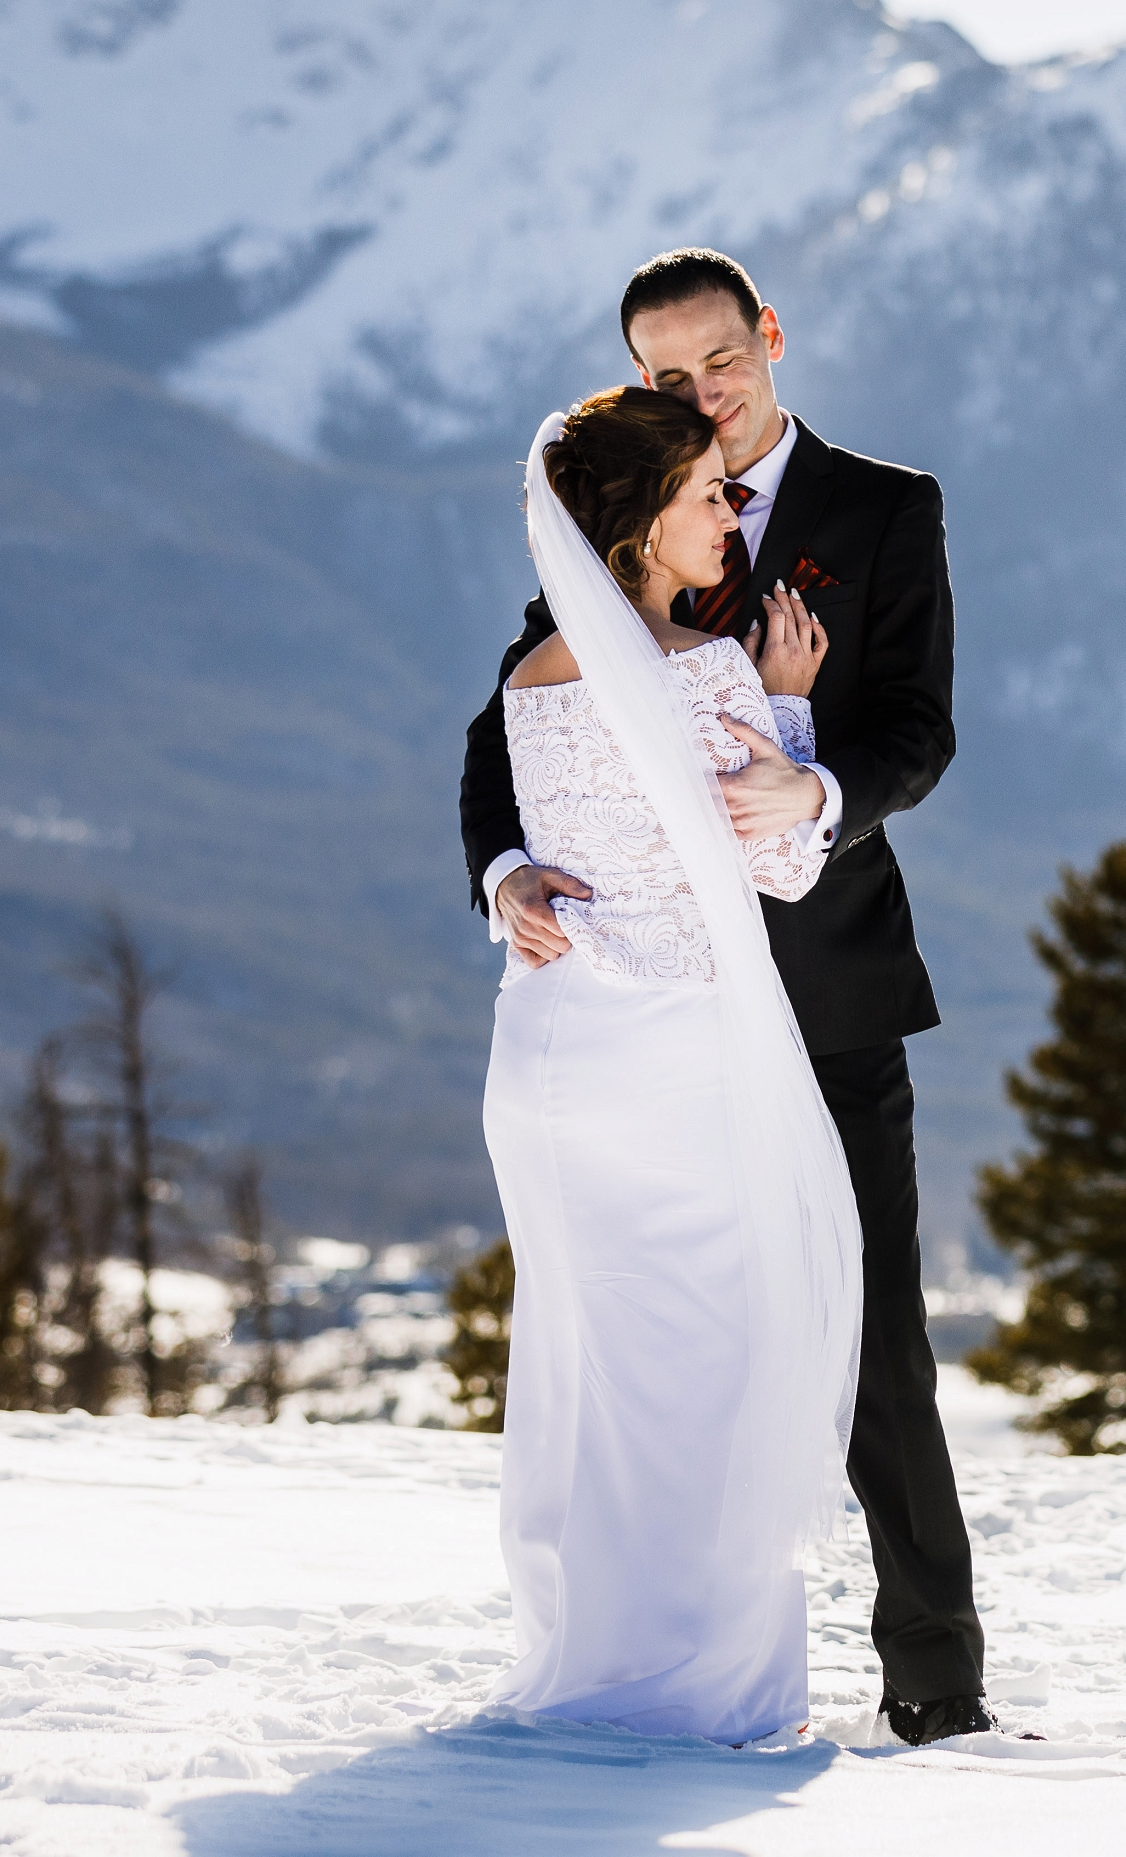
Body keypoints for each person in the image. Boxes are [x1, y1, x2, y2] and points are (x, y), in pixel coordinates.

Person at [460, 249, 996, 1744]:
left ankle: (936, 1681)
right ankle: (683, 1647)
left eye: (718, 361)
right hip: (657, 1026)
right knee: (677, 1340)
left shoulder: (888, 509)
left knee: (873, 1333)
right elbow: (501, 731)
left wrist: (809, 782)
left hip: (823, 997)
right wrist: (503, 866)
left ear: (769, 337)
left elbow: (919, 732)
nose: (699, 393)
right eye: (665, 376)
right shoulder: (620, 512)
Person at [481, 383, 860, 1742]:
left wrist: (509, 872)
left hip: (548, 1058)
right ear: (641, 523)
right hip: (673, 1066)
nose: (727, 511)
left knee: (585, 1365)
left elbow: (553, 828)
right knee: (716, 1370)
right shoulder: (705, 675)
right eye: (706, 493)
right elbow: (782, 862)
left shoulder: (530, 683)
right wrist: (793, 710)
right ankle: (707, 1689)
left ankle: (586, 1658)